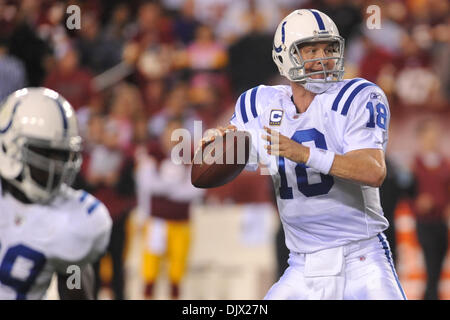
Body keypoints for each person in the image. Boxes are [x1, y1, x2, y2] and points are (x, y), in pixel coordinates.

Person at [198, 9, 406, 300]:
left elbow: (372, 171)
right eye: (310, 49)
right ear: (285, 55)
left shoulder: (357, 96)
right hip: (301, 266)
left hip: (362, 260)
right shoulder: (261, 102)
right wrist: (214, 145)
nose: (323, 58)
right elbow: (219, 159)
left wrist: (304, 153)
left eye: (330, 48)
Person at [0, 88, 112, 299]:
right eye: (44, 153)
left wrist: (74, 266)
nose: (57, 167)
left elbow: (75, 285)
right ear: (9, 147)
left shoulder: (72, 220)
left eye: (62, 156)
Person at [411, 119, 449, 300]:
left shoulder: (445, 164)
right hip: (424, 223)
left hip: (441, 222)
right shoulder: (415, 165)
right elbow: (409, 195)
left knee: (438, 269)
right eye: (428, 136)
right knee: (430, 267)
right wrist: (417, 204)